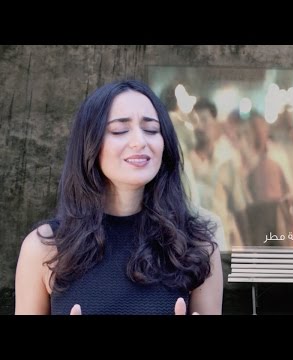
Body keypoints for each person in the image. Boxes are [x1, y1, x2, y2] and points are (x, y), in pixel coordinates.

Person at [14, 79, 223, 315]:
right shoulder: (44, 248)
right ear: (90, 144)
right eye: (120, 130)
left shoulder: (198, 247)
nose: (139, 142)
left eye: (151, 130)